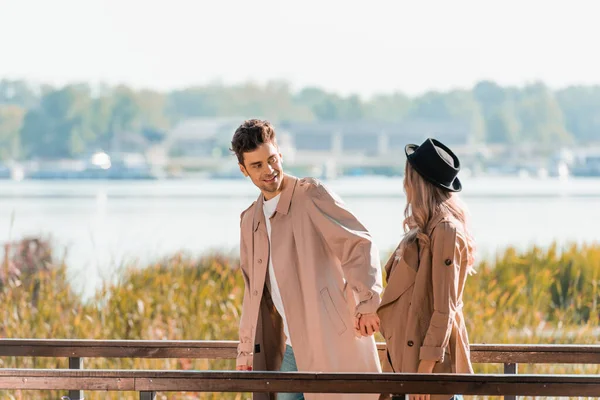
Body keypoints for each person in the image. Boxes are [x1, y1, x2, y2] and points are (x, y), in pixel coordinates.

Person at [231, 119, 383, 400]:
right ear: (243, 170)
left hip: (329, 341)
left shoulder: (310, 194)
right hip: (290, 348)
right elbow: (253, 294)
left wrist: (368, 301)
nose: (269, 170)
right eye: (257, 165)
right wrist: (245, 348)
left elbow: (359, 243)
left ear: (280, 154)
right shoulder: (250, 221)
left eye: (272, 159)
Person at [377, 138, 476, 400]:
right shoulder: (426, 228)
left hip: (428, 372)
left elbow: (445, 307)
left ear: (418, 182)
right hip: (408, 365)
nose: (404, 184)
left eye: (407, 177)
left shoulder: (445, 230)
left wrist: (425, 372)